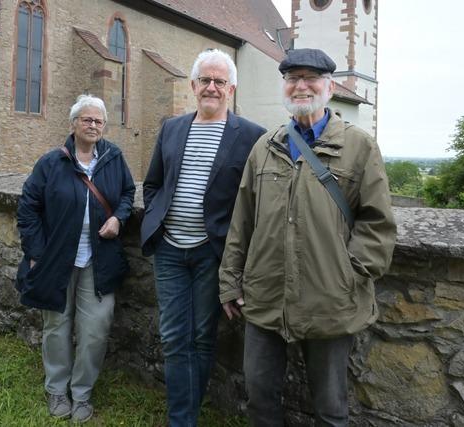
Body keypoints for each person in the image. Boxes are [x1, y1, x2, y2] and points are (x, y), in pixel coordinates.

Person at [219, 48, 397, 426]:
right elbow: (242, 221)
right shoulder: (264, 148)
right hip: (265, 297)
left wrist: (347, 274)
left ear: (328, 86)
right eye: (292, 78)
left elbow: (378, 224)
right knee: (260, 401)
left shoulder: (359, 147)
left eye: (310, 78)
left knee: (331, 410)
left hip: (330, 303)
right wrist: (230, 280)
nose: (301, 85)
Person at [141, 49, 266, 426]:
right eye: (205, 81)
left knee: (201, 336)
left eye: (220, 81)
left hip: (213, 253)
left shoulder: (252, 136)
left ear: (231, 88)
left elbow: (256, 203)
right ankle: (183, 419)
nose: (212, 87)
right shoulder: (172, 128)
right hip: (169, 250)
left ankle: (186, 417)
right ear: (194, 85)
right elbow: (152, 185)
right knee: (174, 337)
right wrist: (156, 218)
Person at [16, 94, 135, 423]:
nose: (93, 125)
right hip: (57, 259)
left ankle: (81, 393)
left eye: (99, 121)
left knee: (95, 328)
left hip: (100, 260)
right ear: (73, 124)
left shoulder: (113, 158)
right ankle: (57, 388)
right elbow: (28, 208)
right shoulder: (52, 162)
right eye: (87, 119)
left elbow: (128, 193)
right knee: (56, 325)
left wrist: (119, 218)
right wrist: (36, 253)